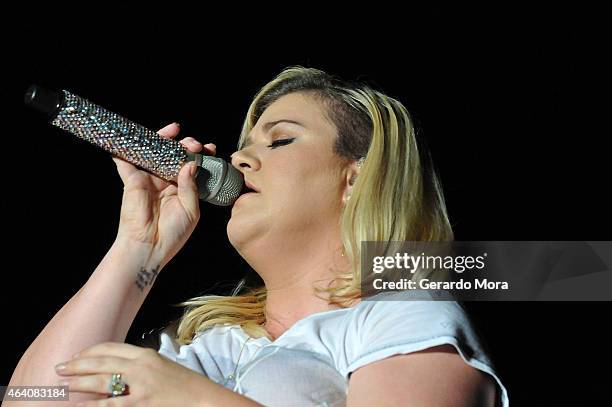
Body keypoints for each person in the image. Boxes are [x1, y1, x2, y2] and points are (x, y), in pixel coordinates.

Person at [5, 66, 509, 406]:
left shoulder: (402, 316)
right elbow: (33, 401)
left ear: (356, 178)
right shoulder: (205, 343)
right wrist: (140, 247)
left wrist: (194, 398)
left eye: (281, 139)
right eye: (242, 147)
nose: (238, 160)